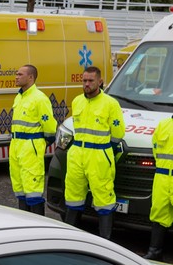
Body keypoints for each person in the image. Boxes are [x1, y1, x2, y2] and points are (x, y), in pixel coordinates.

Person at [64, 66, 125, 239]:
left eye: (91, 81)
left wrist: (106, 152)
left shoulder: (110, 103)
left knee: (103, 198)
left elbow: (118, 132)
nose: (87, 84)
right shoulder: (77, 101)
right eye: (84, 80)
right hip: (77, 153)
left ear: (100, 81)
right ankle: (69, 239)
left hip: (99, 155)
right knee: (73, 196)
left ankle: (105, 242)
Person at [9, 64, 57, 216]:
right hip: (17, 145)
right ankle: (24, 223)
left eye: (20, 74)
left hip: (30, 147)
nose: (16, 77)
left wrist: (41, 143)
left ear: (31, 77)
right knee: (20, 187)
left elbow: (49, 125)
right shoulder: (19, 96)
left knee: (33, 190)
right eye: (16, 74)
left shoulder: (39, 98)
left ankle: (38, 226)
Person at [145, 117, 173, 260]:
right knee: (158, 213)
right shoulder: (163, 124)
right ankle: (154, 251)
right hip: (162, 176)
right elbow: (155, 146)